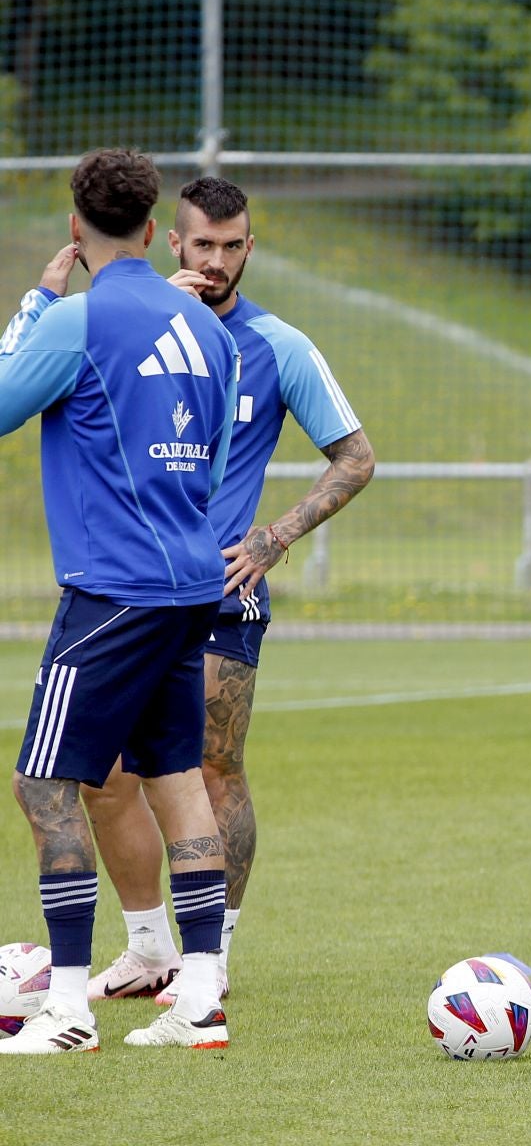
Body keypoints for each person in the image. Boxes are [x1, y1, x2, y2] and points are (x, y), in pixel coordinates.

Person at [77, 177, 374, 1007]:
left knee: (211, 769)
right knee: (101, 776)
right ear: (170, 243)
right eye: (200, 245)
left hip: (221, 591)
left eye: (231, 246)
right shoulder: (127, 331)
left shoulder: (278, 345)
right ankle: (147, 950)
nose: (214, 261)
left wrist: (274, 537)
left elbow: (356, 455)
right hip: (129, 585)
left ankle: (215, 959)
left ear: (250, 248)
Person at [0, 149, 240, 1054]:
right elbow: (211, 456)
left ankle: (63, 1012)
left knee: (42, 784)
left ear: (76, 228)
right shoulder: (209, 329)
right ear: (152, 229)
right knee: (176, 780)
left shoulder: (76, 321)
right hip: (190, 583)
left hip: (113, 592)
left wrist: (33, 302)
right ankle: (201, 997)